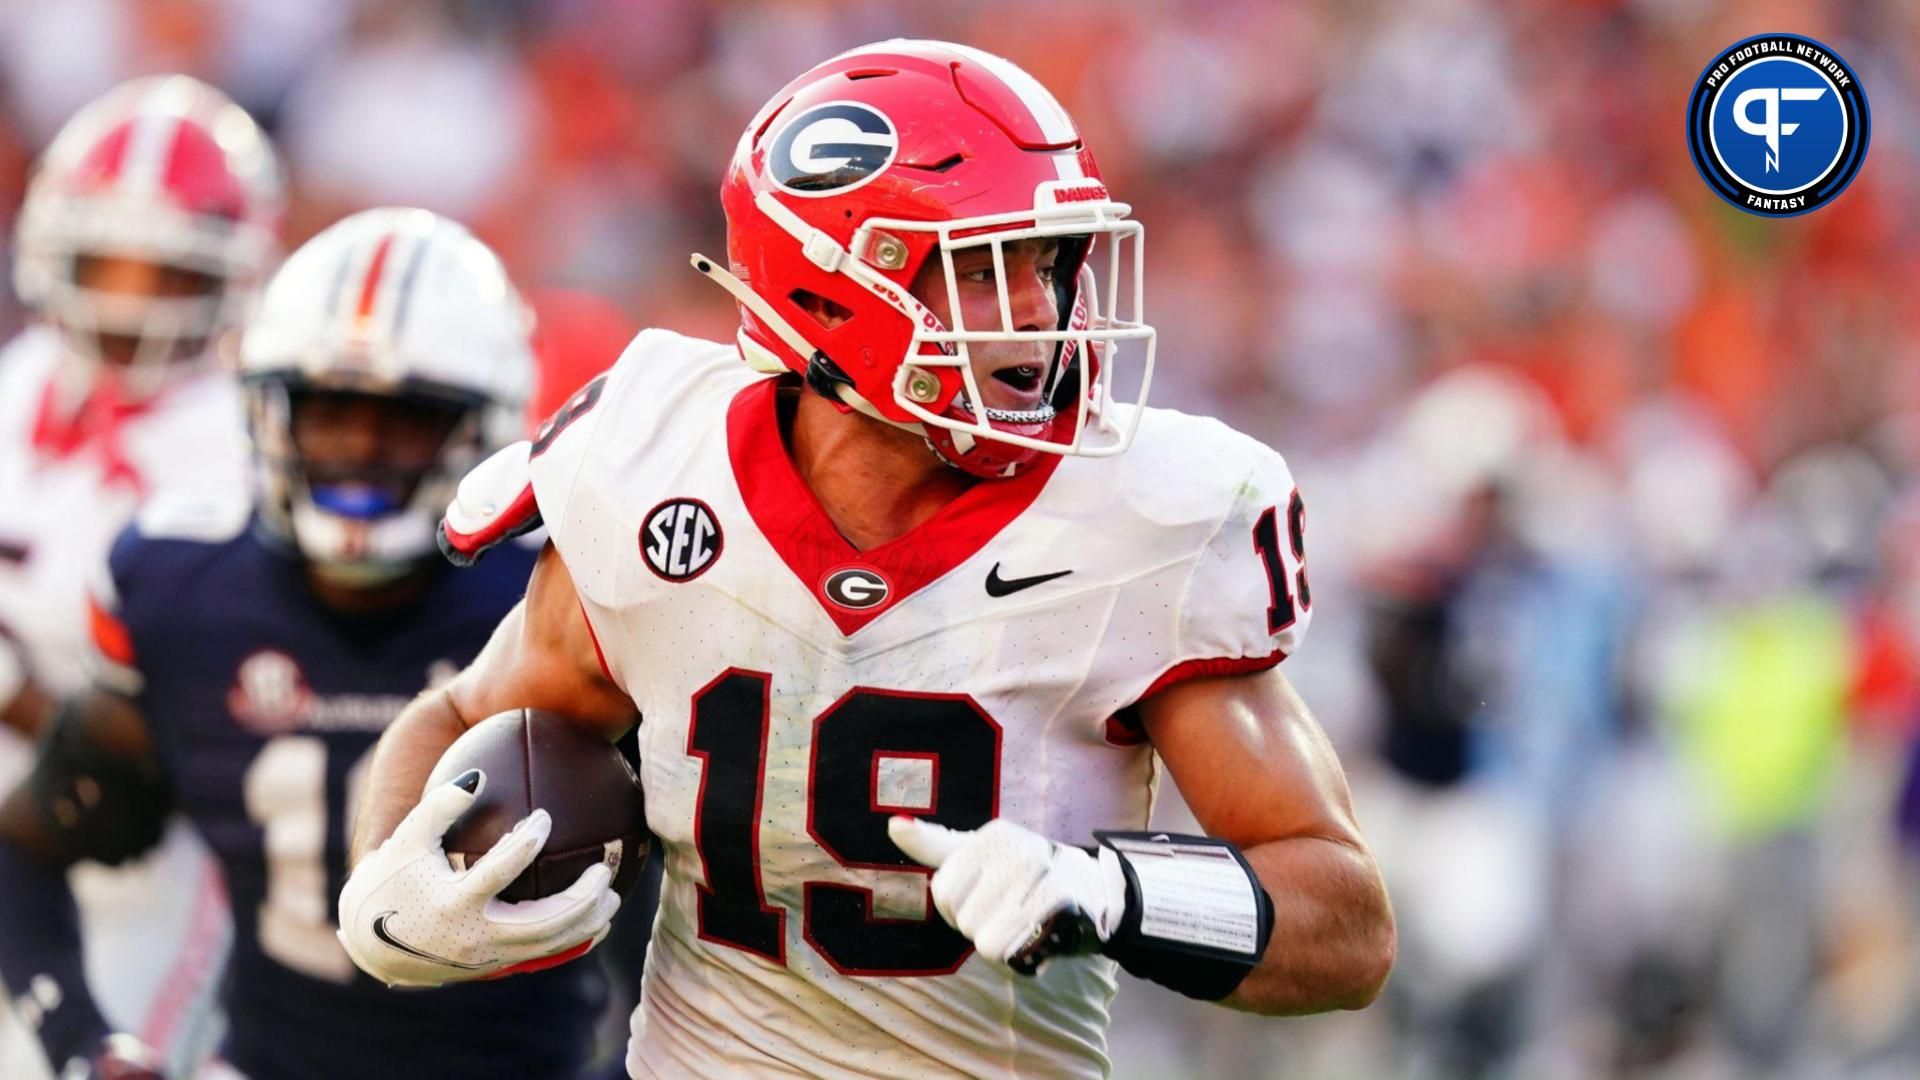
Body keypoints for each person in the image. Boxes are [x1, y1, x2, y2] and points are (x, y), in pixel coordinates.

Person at [341, 39, 1396, 1078]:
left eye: (1049, 260)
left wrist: (1115, 893)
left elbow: (1346, 927)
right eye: (989, 271)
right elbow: (458, 716)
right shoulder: (656, 466)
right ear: (832, 296)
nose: (1040, 313)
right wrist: (388, 887)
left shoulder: (1142, 516)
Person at [0, 208, 616, 1079]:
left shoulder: (566, 587)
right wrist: (83, 1045)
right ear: (266, 410)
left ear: (483, 428)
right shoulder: (178, 585)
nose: (360, 448)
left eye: (405, 418)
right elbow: (29, 841)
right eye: (328, 410)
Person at [0, 74, 281, 1078]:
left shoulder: (236, 458)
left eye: (165, 274)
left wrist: (17, 692)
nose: (126, 302)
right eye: (106, 264)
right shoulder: (23, 382)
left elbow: (176, 754)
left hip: (140, 869)